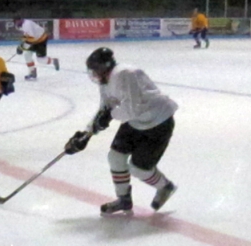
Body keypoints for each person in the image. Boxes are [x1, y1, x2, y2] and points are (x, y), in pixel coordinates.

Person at [64, 47, 178, 215]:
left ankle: (165, 186)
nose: (94, 74)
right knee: (115, 157)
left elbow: (131, 108)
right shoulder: (106, 80)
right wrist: (87, 133)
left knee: (139, 169)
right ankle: (123, 200)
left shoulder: (126, 74)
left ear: (106, 66)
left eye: (96, 70)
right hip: (136, 121)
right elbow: (106, 107)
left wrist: (108, 116)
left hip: (158, 123)